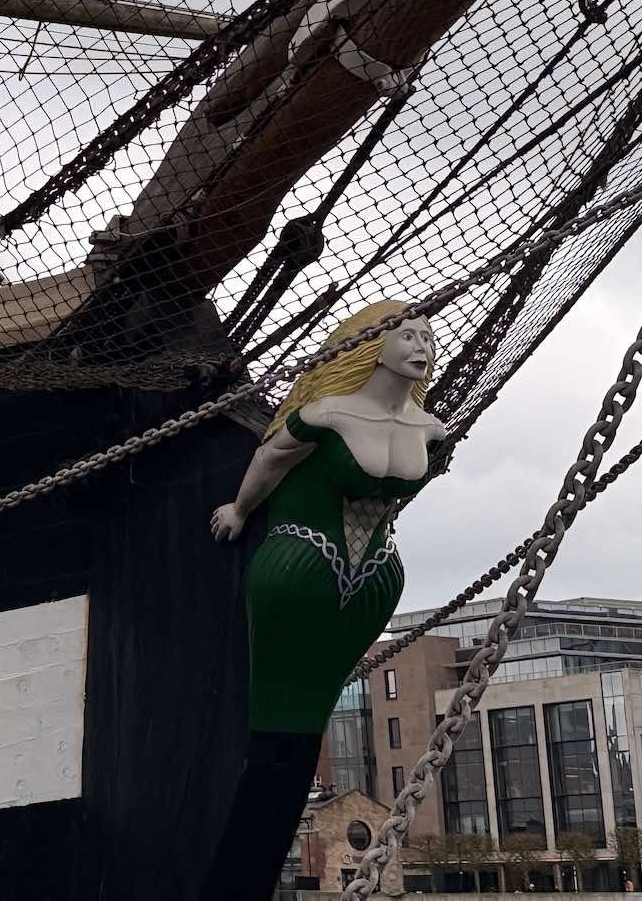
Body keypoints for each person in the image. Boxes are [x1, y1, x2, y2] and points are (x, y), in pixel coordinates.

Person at [197, 299, 445, 901]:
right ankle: (264, 777)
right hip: (300, 563)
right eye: (407, 335)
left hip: (377, 577)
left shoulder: (431, 428)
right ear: (371, 346)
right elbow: (269, 457)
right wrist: (239, 510)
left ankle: (275, 781)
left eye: (427, 337)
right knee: (280, 707)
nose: (422, 346)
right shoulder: (326, 413)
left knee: (313, 704)